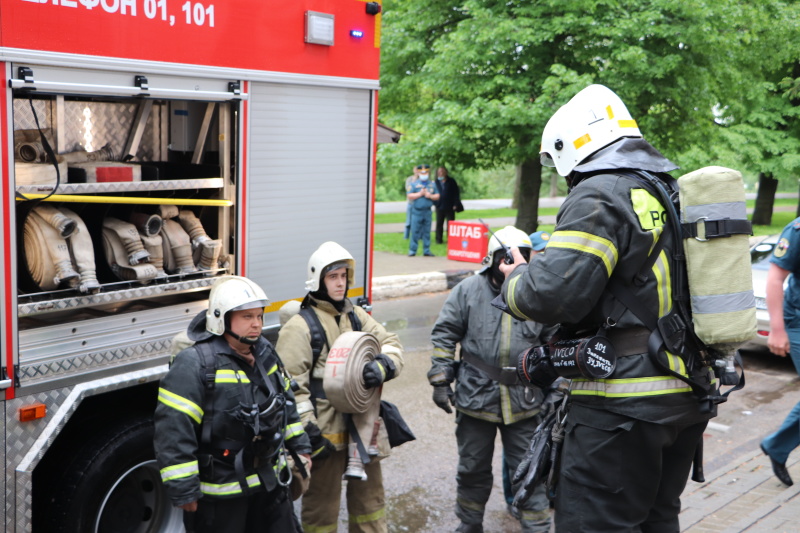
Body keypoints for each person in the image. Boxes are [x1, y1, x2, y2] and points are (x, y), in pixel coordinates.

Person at [496, 84, 717, 531]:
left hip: (622, 408)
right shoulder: (664, 190)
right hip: (684, 395)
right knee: (656, 520)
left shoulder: (601, 193)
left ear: (571, 146)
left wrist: (516, 275)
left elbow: (552, 294)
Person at [154, 275, 310, 533]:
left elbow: (286, 404)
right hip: (221, 495)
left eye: (259, 316)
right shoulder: (194, 364)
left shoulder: (265, 353)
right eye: (247, 317)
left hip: (269, 486)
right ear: (221, 319)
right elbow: (173, 429)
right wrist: (184, 490)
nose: (257, 324)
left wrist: (301, 448)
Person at [429, 226, 554, 533]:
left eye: (519, 257)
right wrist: (441, 378)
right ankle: (469, 524)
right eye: (505, 256)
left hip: (525, 404)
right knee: (472, 469)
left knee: (531, 473)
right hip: (476, 400)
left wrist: (557, 390)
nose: (510, 263)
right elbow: (445, 333)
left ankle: (537, 528)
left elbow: (555, 345)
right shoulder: (469, 290)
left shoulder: (539, 295)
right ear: (492, 259)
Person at [277, 241, 405, 533]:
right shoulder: (300, 326)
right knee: (321, 513)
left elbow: (392, 343)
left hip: (363, 429)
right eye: (332, 276)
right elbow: (291, 387)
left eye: (343, 276)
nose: (340, 283)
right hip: (324, 437)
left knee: (370, 508)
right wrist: (308, 434)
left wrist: (384, 366)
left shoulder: (356, 317)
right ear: (318, 280)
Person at [759, 223, 800, 487]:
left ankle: (777, 446)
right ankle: (777, 446)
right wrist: (777, 329)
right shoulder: (797, 230)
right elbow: (775, 278)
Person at [407, 164, 439, 256]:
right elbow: (409, 195)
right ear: (419, 173)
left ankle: (426, 250)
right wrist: (420, 194)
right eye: (422, 172)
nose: (424, 174)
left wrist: (430, 196)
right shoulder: (414, 184)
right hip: (417, 211)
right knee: (415, 231)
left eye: (426, 172)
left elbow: (437, 195)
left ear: (428, 173)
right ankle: (412, 250)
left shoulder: (432, 184)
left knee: (427, 231)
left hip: (427, 211)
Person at [434, 166, 462, 244]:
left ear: (446, 172)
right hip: (439, 206)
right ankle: (438, 240)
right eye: (439, 172)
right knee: (439, 224)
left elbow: (456, 193)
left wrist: (456, 204)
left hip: (450, 206)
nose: (441, 173)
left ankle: (450, 240)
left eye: (443, 171)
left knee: (451, 224)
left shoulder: (451, 181)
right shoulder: (436, 182)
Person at [404, 164, 422, 240]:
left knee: (420, 221)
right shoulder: (409, 179)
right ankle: (406, 236)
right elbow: (408, 189)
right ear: (414, 170)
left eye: (419, 169)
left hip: (419, 203)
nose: (417, 171)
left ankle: (419, 236)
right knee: (408, 221)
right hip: (411, 203)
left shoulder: (422, 180)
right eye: (416, 169)